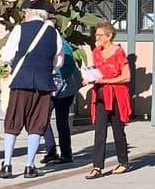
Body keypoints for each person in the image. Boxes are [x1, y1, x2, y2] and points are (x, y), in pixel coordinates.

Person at [0, 0, 64, 179]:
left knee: (13, 121)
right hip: (43, 83)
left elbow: (7, 56)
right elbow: (58, 61)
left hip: (21, 81)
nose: (24, 15)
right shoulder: (54, 33)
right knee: (37, 123)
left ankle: (7, 164)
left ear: (32, 13)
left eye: (26, 12)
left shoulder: (20, 29)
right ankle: (29, 165)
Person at [83, 21, 131, 179]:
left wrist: (106, 81)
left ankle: (123, 162)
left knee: (118, 130)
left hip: (116, 95)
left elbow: (126, 76)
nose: (97, 38)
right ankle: (97, 166)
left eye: (100, 35)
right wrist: (90, 78)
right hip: (101, 95)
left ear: (109, 36)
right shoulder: (96, 52)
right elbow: (97, 72)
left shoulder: (118, 52)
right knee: (99, 131)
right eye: (96, 35)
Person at [41, 41, 79, 165]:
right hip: (50, 88)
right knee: (42, 118)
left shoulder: (63, 46)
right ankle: (51, 150)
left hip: (65, 89)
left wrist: (54, 73)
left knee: (61, 121)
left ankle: (66, 154)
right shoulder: (43, 43)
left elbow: (69, 67)